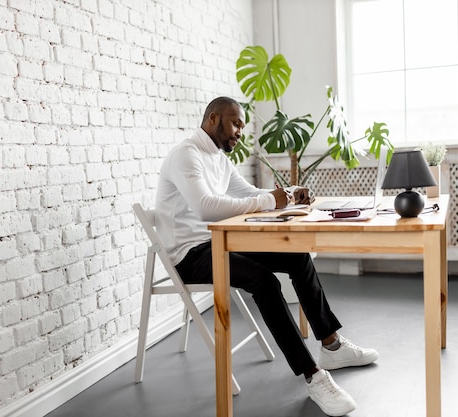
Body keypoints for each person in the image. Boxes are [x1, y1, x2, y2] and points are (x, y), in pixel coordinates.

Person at [155, 96, 378, 416]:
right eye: (235, 124)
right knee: (264, 280)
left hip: (219, 242)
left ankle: (332, 346)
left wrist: (288, 195)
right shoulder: (186, 155)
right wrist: (269, 202)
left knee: (297, 256)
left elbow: (250, 194)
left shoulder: (218, 158)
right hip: (191, 255)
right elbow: (207, 208)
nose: (239, 133)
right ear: (214, 119)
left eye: (242, 127)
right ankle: (313, 376)